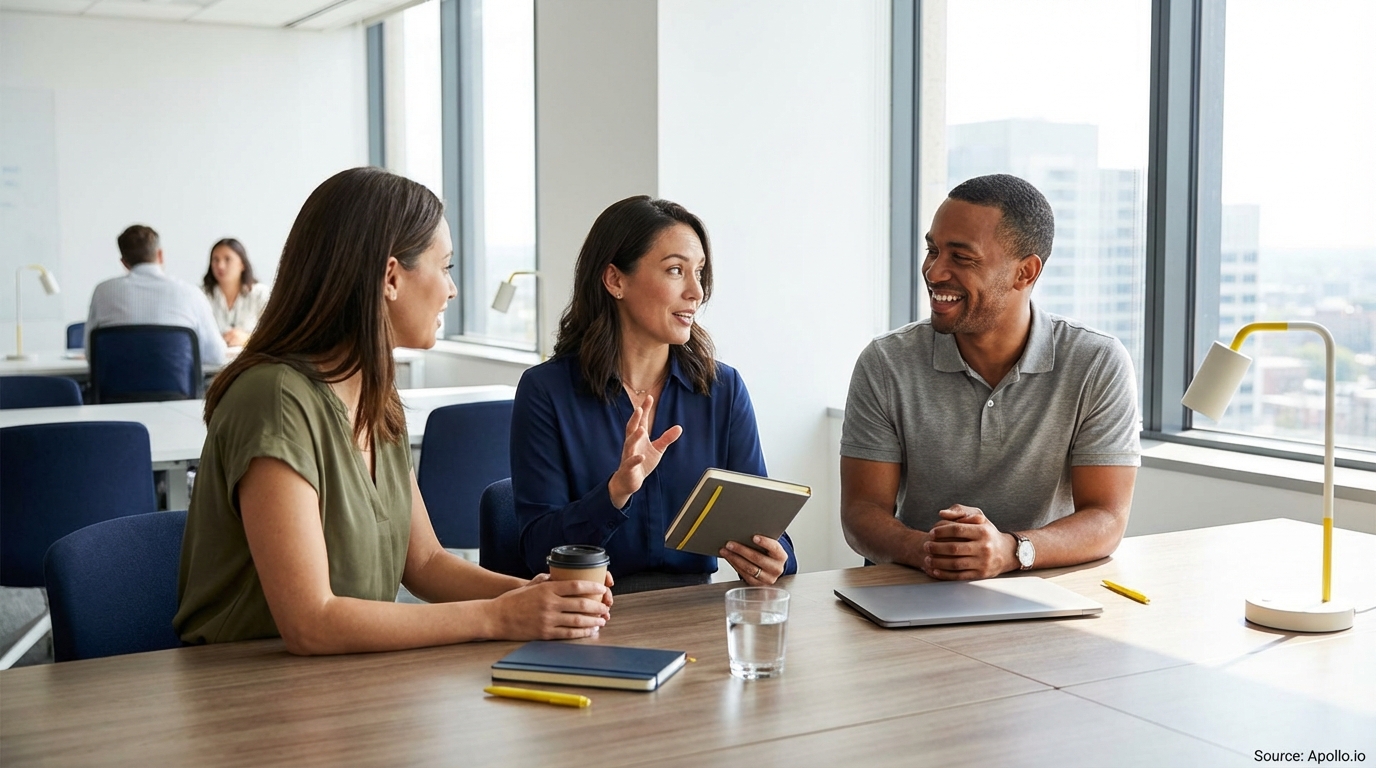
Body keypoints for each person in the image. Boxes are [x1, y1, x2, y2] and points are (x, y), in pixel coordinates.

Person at [174, 168, 610, 654]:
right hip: (244, 693)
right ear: (390, 277)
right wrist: (497, 615)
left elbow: (423, 563)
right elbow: (310, 621)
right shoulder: (275, 399)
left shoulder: (377, 398)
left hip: (349, 682)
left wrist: (533, 596)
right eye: (445, 267)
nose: (452, 289)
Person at [840, 174, 1140, 580]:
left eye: (961, 258)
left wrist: (1010, 551)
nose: (934, 271)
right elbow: (862, 512)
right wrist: (929, 551)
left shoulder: (1097, 362)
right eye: (933, 250)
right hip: (914, 583)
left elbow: (1106, 517)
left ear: (1025, 273)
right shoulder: (886, 362)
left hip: (1041, 588)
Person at [510, 195, 798, 594]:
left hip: (696, 613)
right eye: (676, 270)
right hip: (592, 613)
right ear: (615, 280)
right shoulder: (546, 391)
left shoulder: (723, 390)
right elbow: (536, 550)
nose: (696, 291)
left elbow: (766, 529)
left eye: (699, 272)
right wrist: (616, 493)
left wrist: (774, 557)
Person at [87, 225, 227, 365]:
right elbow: (216, 356)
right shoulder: (190, 293)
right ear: (160, 255)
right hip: (177, 386)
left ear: (124, 263)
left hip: (115, 385)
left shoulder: (102, 292)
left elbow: (91, 354)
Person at [202, 238, 270, 347]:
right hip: (211, 362)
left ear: (242, 264)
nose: (220, 266)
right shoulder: (201, 296)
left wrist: (248, 339)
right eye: (215, 260)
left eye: (227, 259)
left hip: (251, 360)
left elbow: (274, 335)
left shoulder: (260, 294)